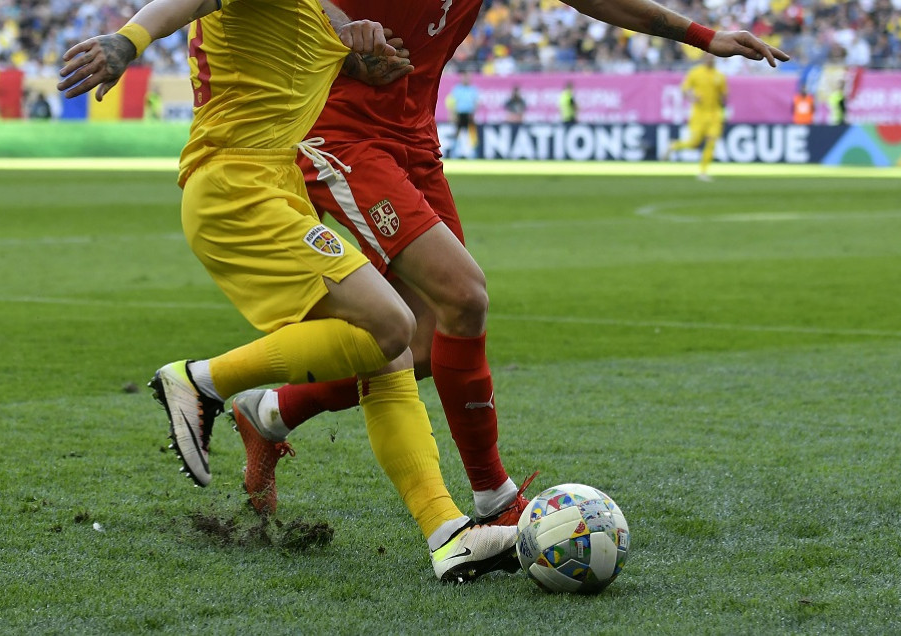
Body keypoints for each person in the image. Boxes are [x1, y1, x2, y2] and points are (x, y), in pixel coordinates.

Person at [230, 0, 788, 530]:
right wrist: (340, 26)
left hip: (414, 140)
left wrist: (704, 35)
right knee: (464, 295)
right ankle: (495, 498)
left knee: (426, 342)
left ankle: (270, 413)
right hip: (341, 134)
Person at [57, 0, 516, 584]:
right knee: (395, 326)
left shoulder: (309, 7)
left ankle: (447, 533)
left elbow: (314, 36)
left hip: (273, 189)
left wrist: (357, 51)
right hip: (237, 192)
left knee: (389, 347)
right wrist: (129, 40)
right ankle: (203, 382)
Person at [663, 54, 727, 181]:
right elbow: (685, 88)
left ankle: (703, 171)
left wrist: (723, 103)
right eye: (708, 57)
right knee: (694, 143)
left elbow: (724, 95)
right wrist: (692, 97)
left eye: (713, 57)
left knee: (712, 141)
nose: (711, 59)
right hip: (699, 114)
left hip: (714, 115)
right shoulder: (696, 73)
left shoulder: (719, 75)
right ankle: (674, 145)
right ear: (704, 58)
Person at [447, 71, 479, 158]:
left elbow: (476, 102)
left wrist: (474, 112)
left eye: (467, 77)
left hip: (469, 114)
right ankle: (453, 154)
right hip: (460, 114)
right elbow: (452, 103)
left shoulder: (473, 89)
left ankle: (474, 154)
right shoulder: (457, 89)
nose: (466, 79)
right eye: (464, 77)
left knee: (472, 134)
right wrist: (453, 114)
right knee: (456, 134)